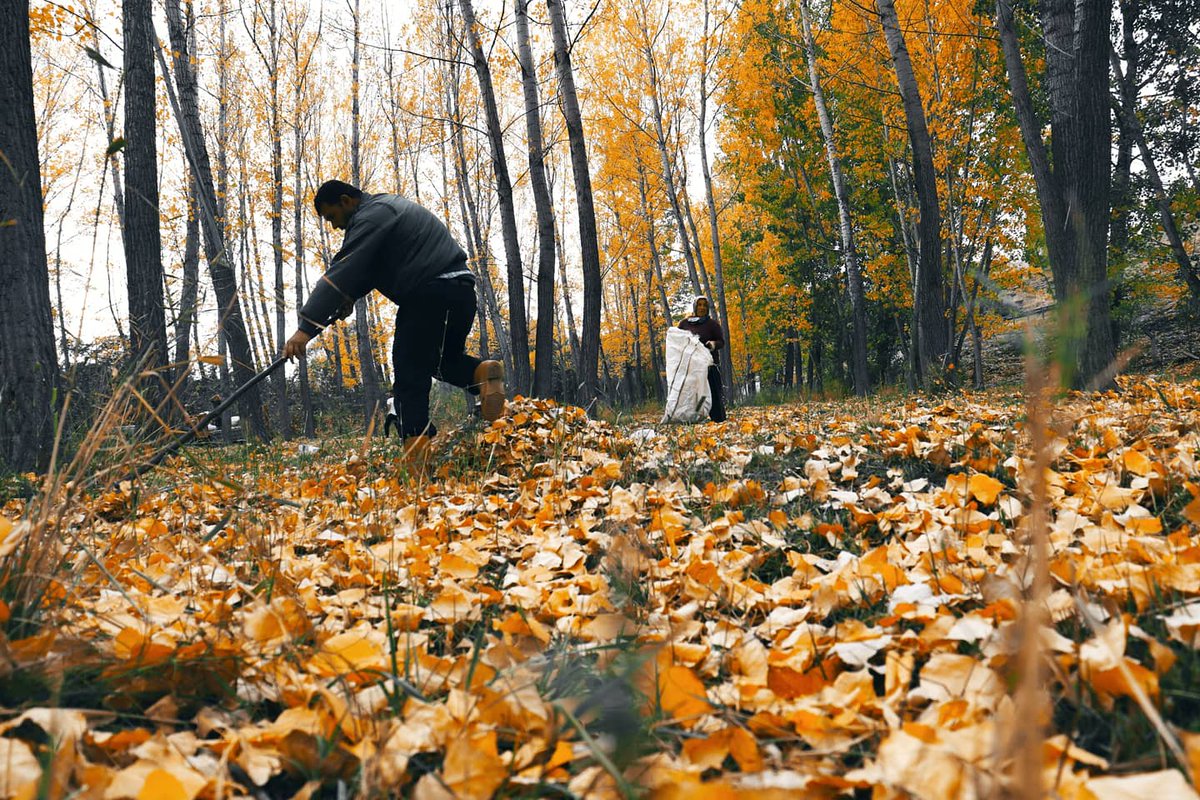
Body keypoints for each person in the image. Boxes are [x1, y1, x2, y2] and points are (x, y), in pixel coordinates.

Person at [282, 180, 505, 466]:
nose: (335, 227)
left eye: (332, 217)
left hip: (429, 293)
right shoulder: (388, 208)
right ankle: (482, 374)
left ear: (346, 200)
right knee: (441, 361)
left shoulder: (372, 215)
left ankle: (417, 457)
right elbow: (371, 270)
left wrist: (306, 328)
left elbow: (345, 267)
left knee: (409, 373)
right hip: (461, 291)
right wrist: (348, 298)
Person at [677, 297, 727, 422]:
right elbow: (678, 340)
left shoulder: (712, 324)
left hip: (709, 365)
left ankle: (718, 419)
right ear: (694, 307)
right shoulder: (684, 324)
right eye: (699, 305)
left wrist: (713, 344)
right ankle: (692, 418)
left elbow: (721, 342)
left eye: (705, 305)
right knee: (692, 393)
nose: (702, 308)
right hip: (691, 366)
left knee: (713, 391)